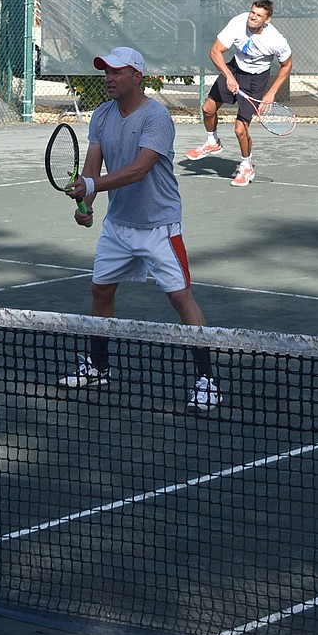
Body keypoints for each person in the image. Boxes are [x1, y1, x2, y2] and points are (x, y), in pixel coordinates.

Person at [60, 46, 219, 410]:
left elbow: (138, 170)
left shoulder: (157, 118)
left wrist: (93, 186)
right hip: (119, 225)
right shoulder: (101, 115)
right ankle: (99, 367)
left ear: (137, 76)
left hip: (159, 226)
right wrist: (86, 206)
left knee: (181, 299)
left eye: (116, 72)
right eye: (106, 72)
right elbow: (91, 171)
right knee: (100, 292)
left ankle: (207, 378)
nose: (108, 78)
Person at [185, 0, 292, 187]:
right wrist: (228, 76)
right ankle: (212, 142)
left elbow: (287, 64)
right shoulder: (237, 23)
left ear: (267, 20)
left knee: (240, 129)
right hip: (234, 69)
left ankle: (246, 165)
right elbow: (215, 51)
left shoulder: (276, 40)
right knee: (207, 109)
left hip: (256, 80)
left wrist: (271, 92)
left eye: (259, 15)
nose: (253, 17)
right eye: (252, 12)